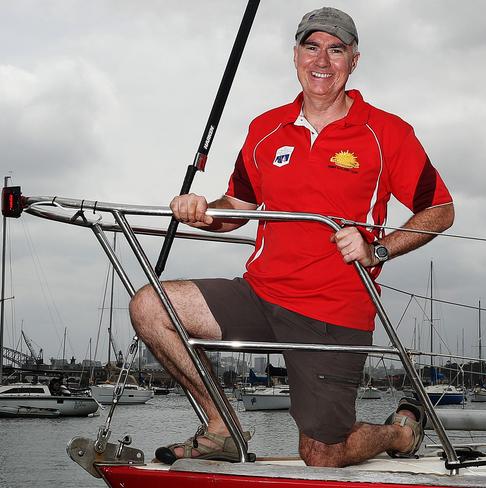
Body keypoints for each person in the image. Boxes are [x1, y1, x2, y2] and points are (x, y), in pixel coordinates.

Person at [129, 7, 454, 468]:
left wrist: (378, 248)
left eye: (336, 49)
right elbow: (237, 209)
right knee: (150, 305)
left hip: (334, 309)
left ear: (353, 60)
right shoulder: (265, 129)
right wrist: (202, 211)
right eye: (312, 46)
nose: (322, 60)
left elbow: (440, 208)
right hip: (261, 294)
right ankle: (223, 427)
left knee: (322, 454)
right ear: (296, 55)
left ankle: (399, 433)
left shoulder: (387, 133)